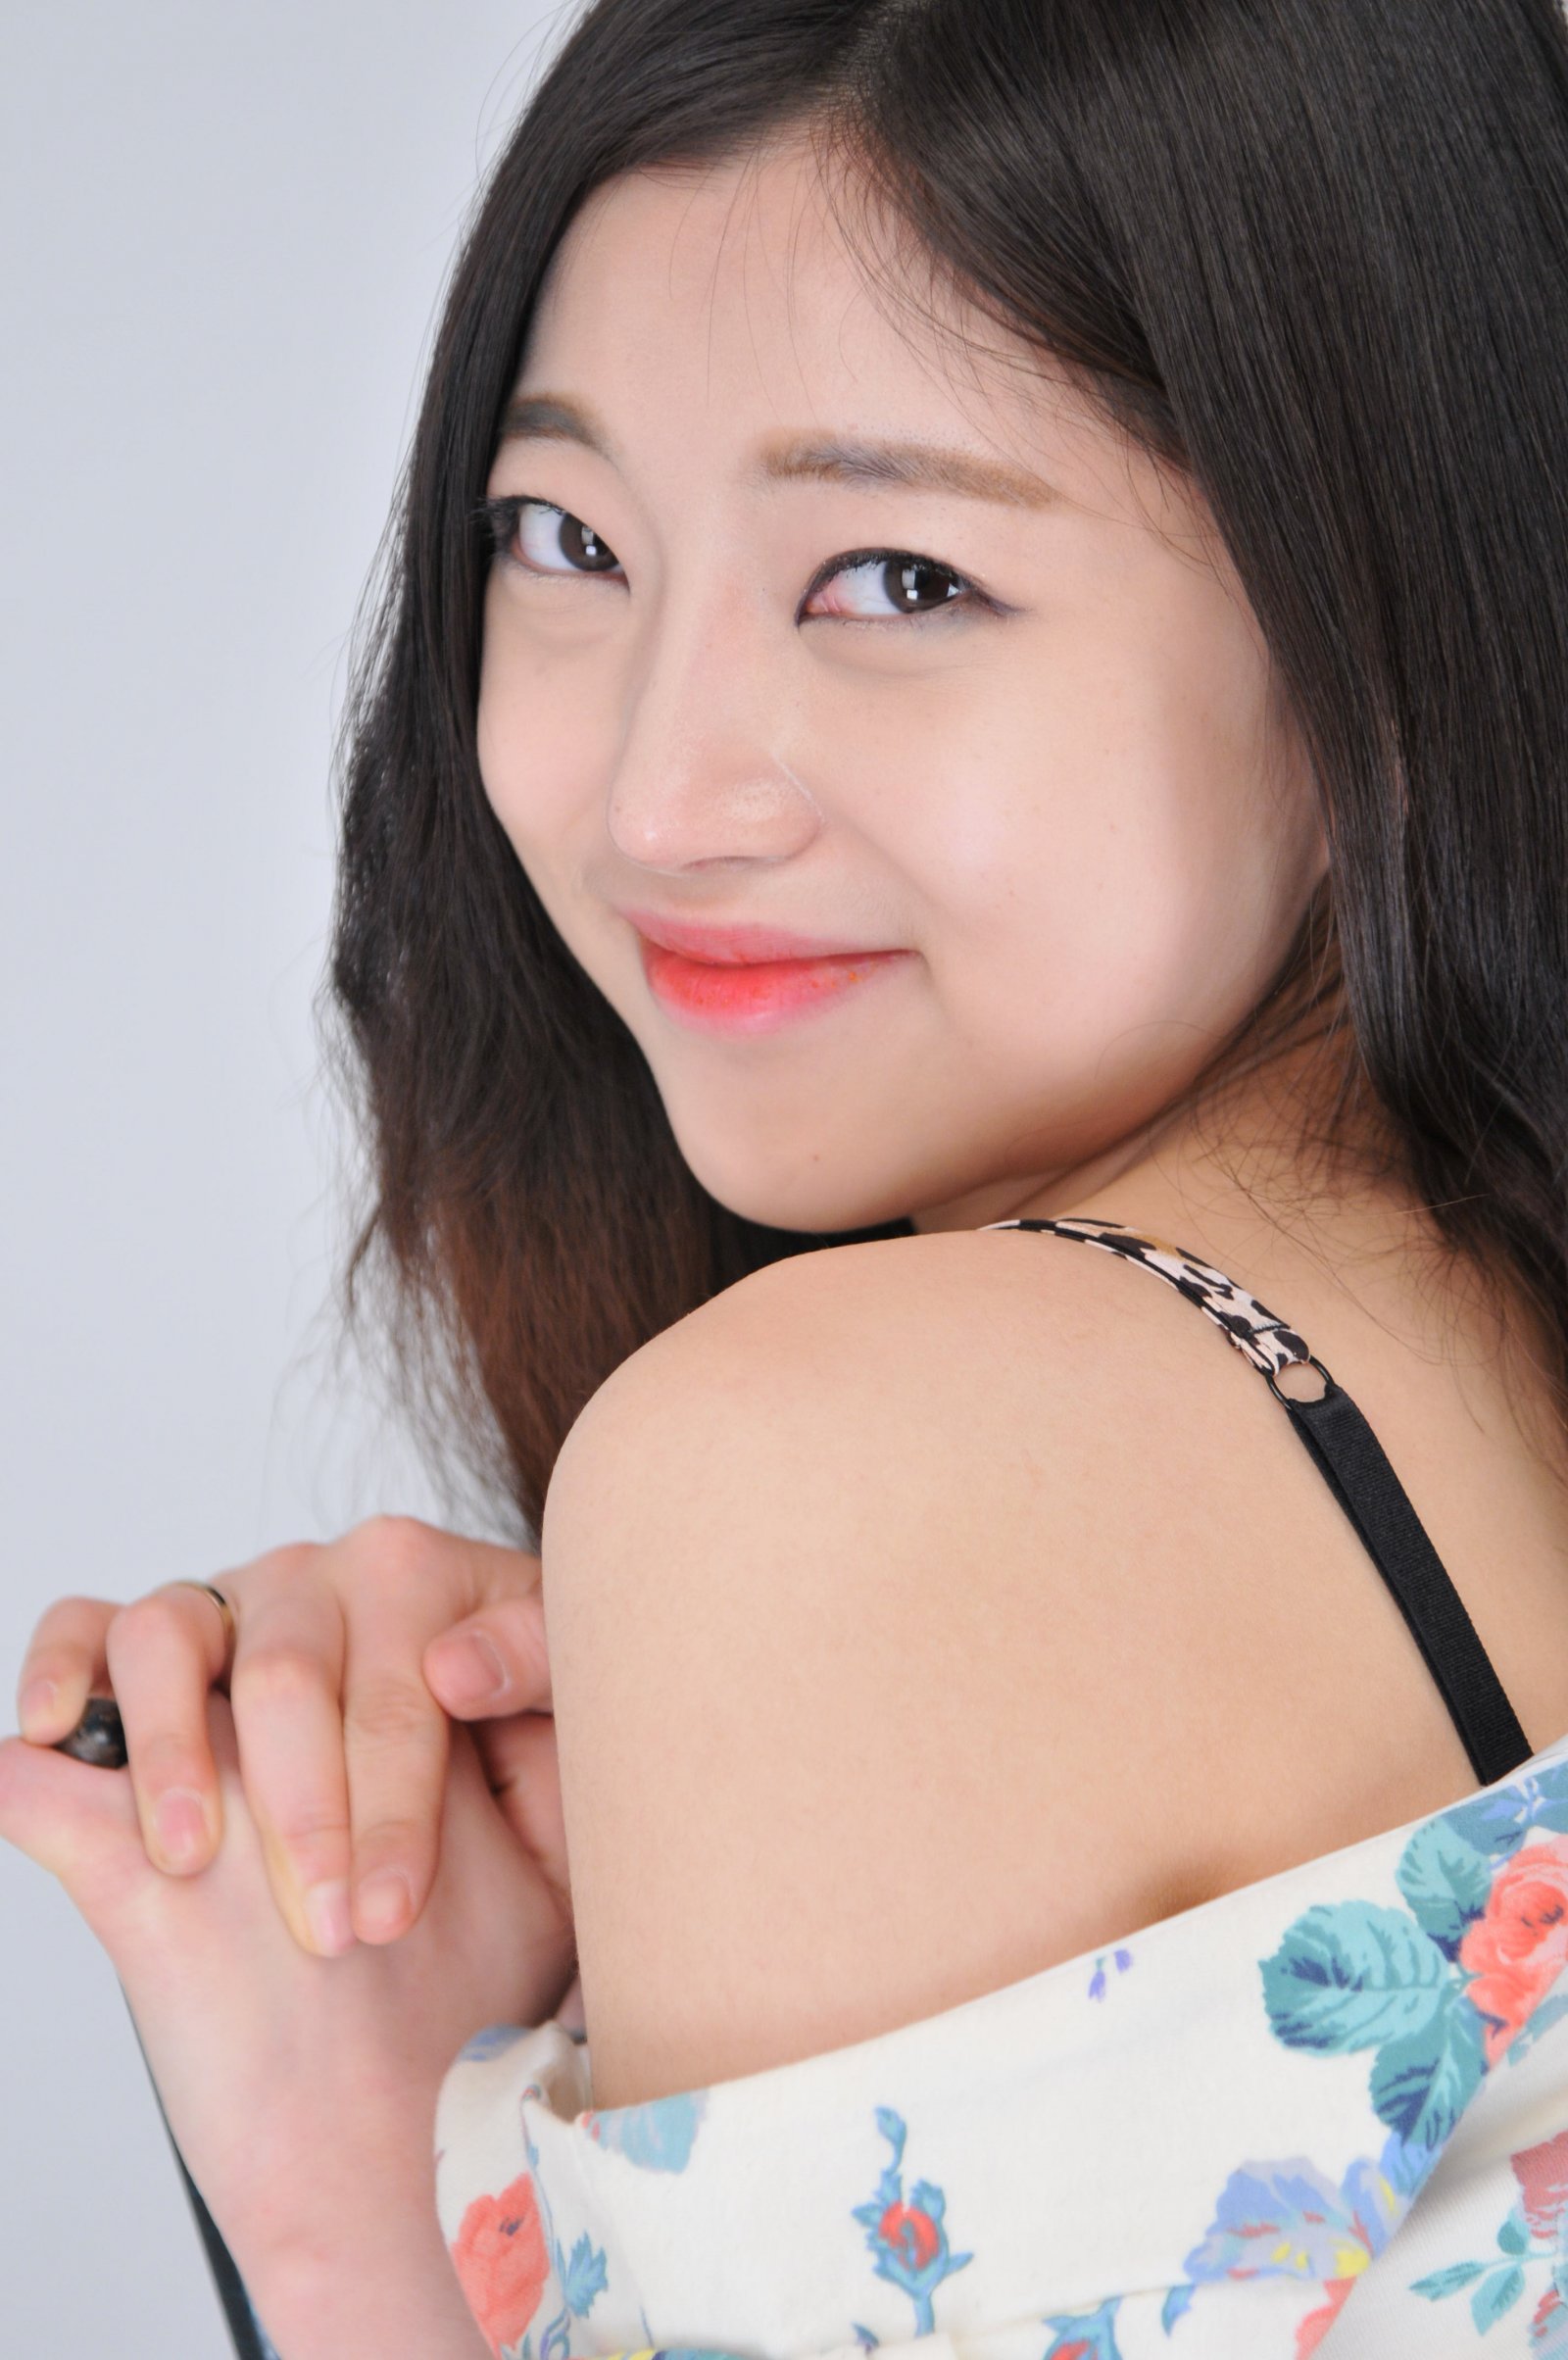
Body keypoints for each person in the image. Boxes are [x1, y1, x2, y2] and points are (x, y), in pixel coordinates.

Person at [6, 0, 1568, 2350]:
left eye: (898, 580)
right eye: (565, 541)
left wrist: (350, 2223)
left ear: (1381, 623)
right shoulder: (1479, 1350)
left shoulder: (826, 1476)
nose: (654, 796)